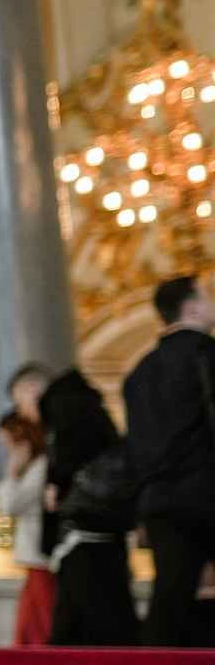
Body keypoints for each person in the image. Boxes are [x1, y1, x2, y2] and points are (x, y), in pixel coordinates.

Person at [122, 274, 215, 645]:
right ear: (190, 307)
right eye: (207, 295)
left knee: (169, 599)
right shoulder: (206, 354)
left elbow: (134, 447)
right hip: (208, 488)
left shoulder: (137, 374)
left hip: (159, 501)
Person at [37, 365, 139, 645]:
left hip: (87, 528)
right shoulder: (81, 399)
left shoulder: (62, 401)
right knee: (73, 623)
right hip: (92, 530)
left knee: (105, 621)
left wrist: (57, 480)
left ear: (32, 389)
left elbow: (80, 442)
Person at [0, 364, 56, 647]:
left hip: (41, 558)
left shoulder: (40, 466)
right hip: (35, 560)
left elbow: (11, 504)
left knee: (39, 632)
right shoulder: (37, 467)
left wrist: (10, 474)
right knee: (29, 632)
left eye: (9, 443)